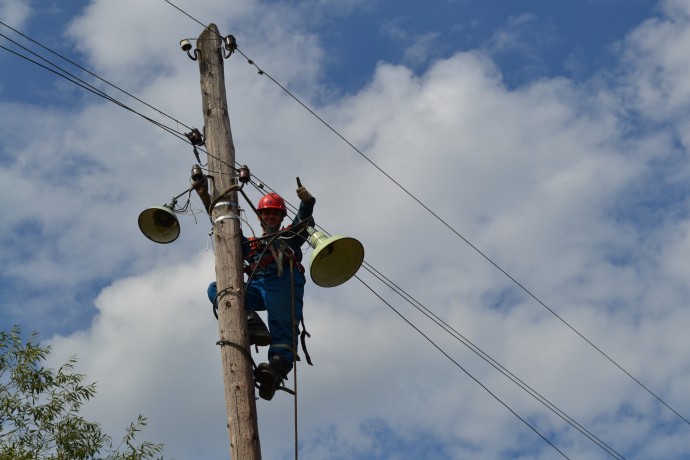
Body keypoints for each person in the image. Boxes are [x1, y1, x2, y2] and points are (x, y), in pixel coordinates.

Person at [208, 180, 315, 400]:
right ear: (259, 216)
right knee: (218, 289)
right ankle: (250, 321)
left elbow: (303, 220)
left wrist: (307, 202)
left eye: (274, 214)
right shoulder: (249, 243)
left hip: (283, 280)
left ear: (282, 216)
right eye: (266, 214)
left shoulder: (289, 236)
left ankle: (275, 370)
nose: (270, 217)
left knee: (282, 324)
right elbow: (227, 228)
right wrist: (214, 203)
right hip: (257, 285)